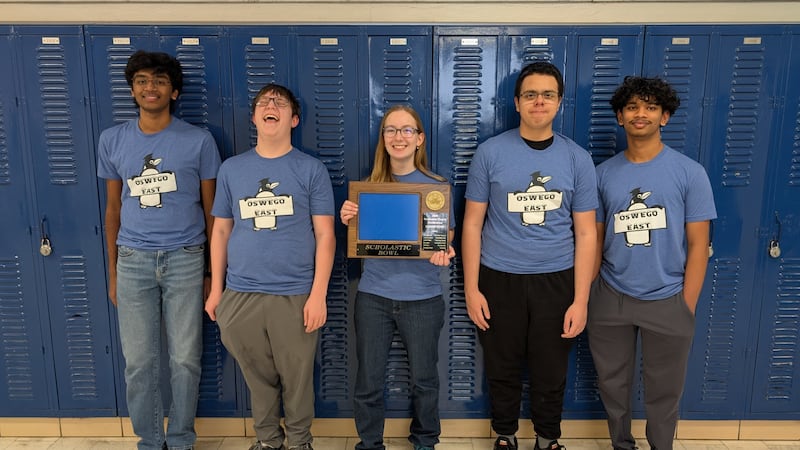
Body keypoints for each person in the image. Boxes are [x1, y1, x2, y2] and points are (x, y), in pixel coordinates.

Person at [461, 61, 598, 450]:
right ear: (517, 103)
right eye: (531, 94)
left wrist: (581, 299)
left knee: (551, 368)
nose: (539, 101)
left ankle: (548, 438)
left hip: (557, 280)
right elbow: (472, 223)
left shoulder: (577, 159)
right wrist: (472, 288)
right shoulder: (490, 153)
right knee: (501, 365)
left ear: (559, 103)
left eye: (548, 95)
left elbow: (587, 232)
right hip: (499, 277)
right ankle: (504, 435)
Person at [97, 50, 221, 450]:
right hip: (133, 260)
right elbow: (113, 210)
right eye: (143, 81)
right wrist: (114, 272)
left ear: (174, 91)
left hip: (186, 257)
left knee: (185, 358)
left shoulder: (198, 140)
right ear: (133, 90)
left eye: (160, 81)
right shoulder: (112, 140)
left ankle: (182, 439)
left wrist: (209, 273)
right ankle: (150, 441)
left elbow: (211, 211)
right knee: (139, 363)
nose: (151, 87)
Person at [205, 83, 335, 450]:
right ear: (254, 117)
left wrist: (318, 296)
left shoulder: (310, 169)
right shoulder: (232, 169)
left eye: (279, 102)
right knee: (256, 377)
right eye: (263, 101)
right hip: (240, 294)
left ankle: (298, 441)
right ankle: (266, 441)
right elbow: (221, 231)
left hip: (295, 294)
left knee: (296, 378)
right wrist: (217, 291)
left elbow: (326, 235)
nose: (270, 105)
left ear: (293, 119)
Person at [588, 76, 716, 450]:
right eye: (632, 107)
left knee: (665, 389)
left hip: (669, 296)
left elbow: (698, 244)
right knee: (612, 384)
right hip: (611, 294)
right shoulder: (602, 174)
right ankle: (621, 444)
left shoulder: (690, 173)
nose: (640, 114)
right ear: (620, 117)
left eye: (650, 107)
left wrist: (685, 305)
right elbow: (594, 241)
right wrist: (590, 293)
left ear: (665, 117)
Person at [340, 105, 456, 450]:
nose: (399, 137)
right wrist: (349, 218)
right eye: (391, 130)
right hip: (373, 297)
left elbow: (444, 238)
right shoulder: (368, 189)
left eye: (407, 130)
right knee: (369, 380)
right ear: (383, 139)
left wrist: (444, 251)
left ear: (419, 139)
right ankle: (370, 443)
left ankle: (425, 441)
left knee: (424, 379)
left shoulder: (436, 188)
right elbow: (359, 237)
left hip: (422, 297)